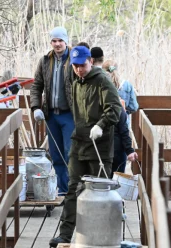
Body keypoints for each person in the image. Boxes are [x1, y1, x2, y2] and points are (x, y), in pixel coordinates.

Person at [49, 46, 122, 247]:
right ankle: (64, 235)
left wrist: (101, 125)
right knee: (72, 189)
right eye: (75, 66)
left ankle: (99, 238)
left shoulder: (103, 81)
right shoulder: (76, 82)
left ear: (90, 61)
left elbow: (115, 109)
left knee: (99, 194)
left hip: (100, 146)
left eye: (82, 65)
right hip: (79, 143)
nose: (79, 69)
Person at [29, 27, 75, 196]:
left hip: (69, 115)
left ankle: (73, 189)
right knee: (55, 154)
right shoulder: (44, 61)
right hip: (51, 116)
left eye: (60, 41)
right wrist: (35, 108)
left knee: (70, 153)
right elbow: (36, 86)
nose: (57, 44)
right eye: (54, 41)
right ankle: (63, 190)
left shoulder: (73, 59)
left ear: (66, 41)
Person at [111, 103, 138, 177]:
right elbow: (124, 132)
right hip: (117, 151)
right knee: (117, 179)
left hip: (102, 151)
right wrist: (129, 150)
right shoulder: (119, 109)